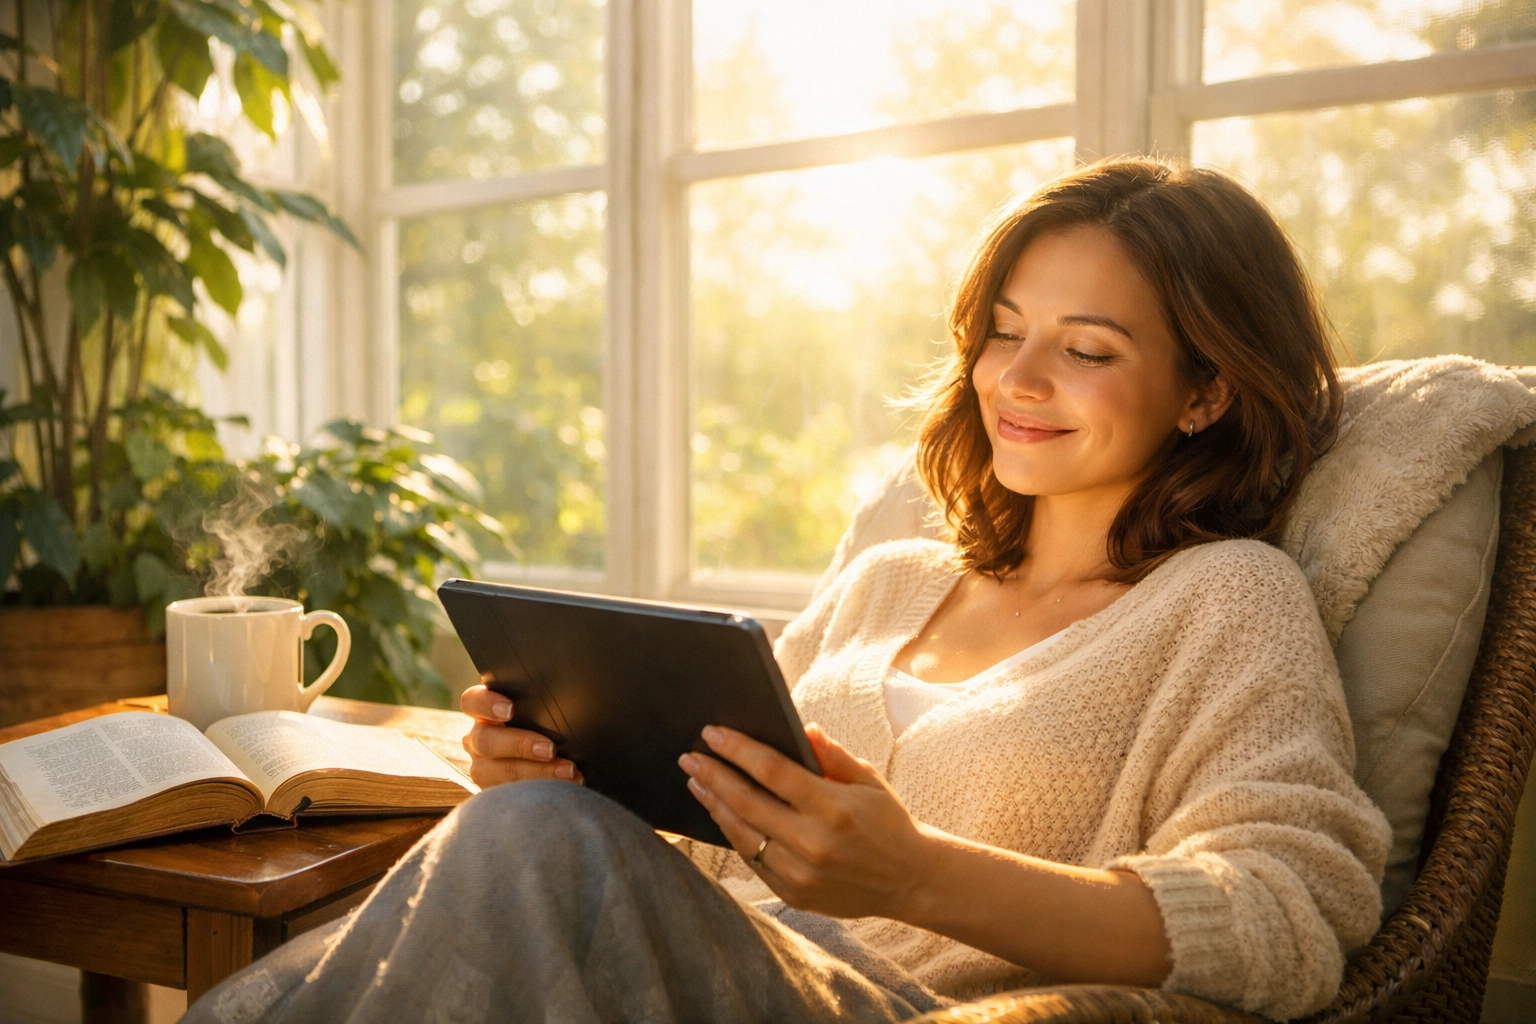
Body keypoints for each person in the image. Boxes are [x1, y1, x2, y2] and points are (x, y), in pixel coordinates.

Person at [183, 158, 1391, 1024]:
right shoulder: (887, 584)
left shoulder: (1227, 601)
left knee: (526, 849)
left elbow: (1291, 921)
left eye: (1086, 348)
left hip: (905, 1006)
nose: (1015, 380)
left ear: (1204, 393)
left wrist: (920, 876)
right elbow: (705, 844)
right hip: (726, 968)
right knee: (526, 828)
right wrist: (577, 773)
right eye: (1005, 331)